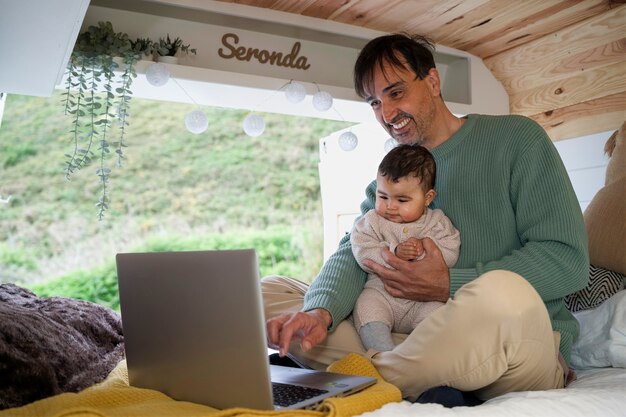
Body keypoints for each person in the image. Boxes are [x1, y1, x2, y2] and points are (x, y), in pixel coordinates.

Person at [263, 33, 588, 402]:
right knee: (271, 290)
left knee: (504, 290)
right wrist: (319, 313)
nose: (386, 114)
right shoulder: (389, 180)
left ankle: (368, 378)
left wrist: (447, 283)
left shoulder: (516, 139)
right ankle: (409, 376)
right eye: (373, 102)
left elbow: (567, 261)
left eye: (395, 93)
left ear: (432, 81)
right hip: (404, 334)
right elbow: (354, 253)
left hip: (500, 338)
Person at [351, 144, 460, 352]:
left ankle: (416, 357)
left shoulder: (436, 222)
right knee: (366, 305)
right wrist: (393, 253)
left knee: (439, 313)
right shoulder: (372, 220)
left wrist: (424, 253)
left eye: (402, 200)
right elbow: (362, 249)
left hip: (423, 300)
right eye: (382, 197)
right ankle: (383, 354)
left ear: (428, 198)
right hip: (383, 292)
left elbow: (451, 250)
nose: (390, 206)